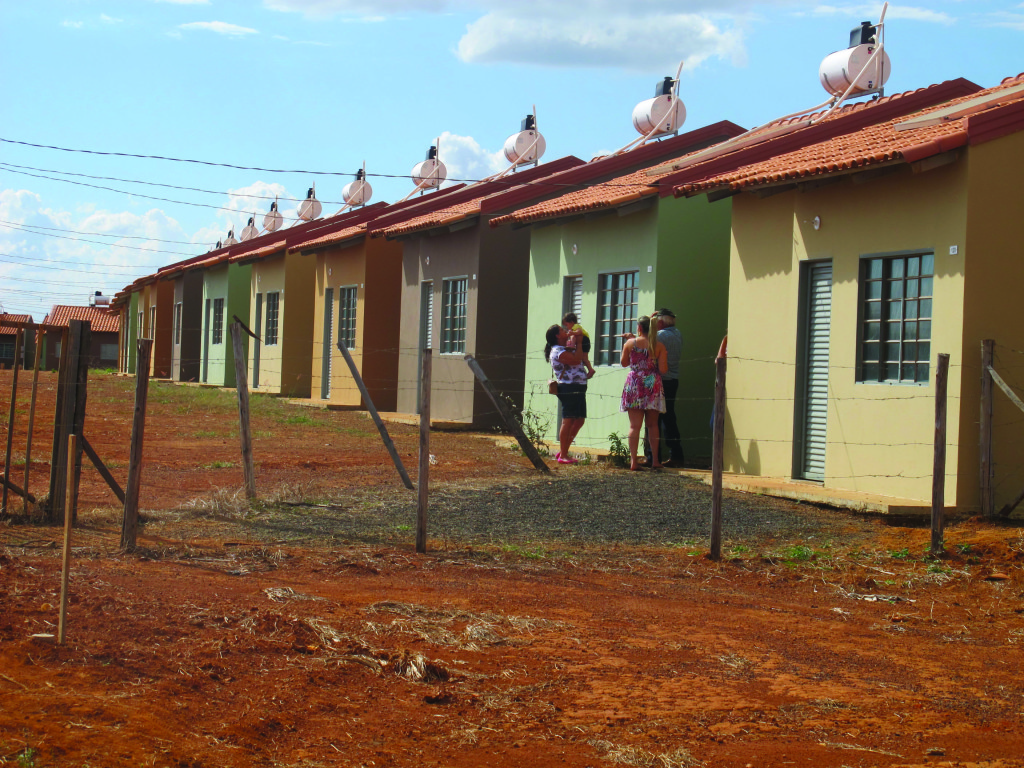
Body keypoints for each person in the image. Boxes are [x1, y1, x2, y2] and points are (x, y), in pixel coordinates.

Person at [620, 316, 667, 471]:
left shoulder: (629, 344)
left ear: (639, 328)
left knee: (634, 425)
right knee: (653, 425)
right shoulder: (659, 346)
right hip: (652, 384)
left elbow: (624, 363)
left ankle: (633, 461)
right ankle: (655, 460)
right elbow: (664, 369)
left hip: (634, 383)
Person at [545, 324, 588, 464]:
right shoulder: (558, 351)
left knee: (579, 420)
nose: (566, 331)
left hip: (578, 386)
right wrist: (579, 342)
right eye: (563, 330)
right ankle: (563, 455)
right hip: (569, 387)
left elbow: (579, 356)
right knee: (568, 420)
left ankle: (564, 450)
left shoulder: (565, 347)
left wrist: (578, 340)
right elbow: (576, 359)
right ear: (557, 336)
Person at [648, 308, 684, 468]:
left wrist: (649, 325)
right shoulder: (677, 334)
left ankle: (651, 456)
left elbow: (645, 346)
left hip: (660, 380)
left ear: (660, 322)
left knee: (652, 417)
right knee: (669, 417)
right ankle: (676, 454)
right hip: (672, 379)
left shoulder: (660, 336)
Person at [562, 312, 597, 379]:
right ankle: (589, 369)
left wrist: (572, 333)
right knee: (583, 358)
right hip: (584, 342)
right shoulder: (573, 328)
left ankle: (590, 369)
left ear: (571, 322)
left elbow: (579, 332)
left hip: (585, 341)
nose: (567, 327)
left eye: (567, 324)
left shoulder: (576, 326)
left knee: (584, 357)